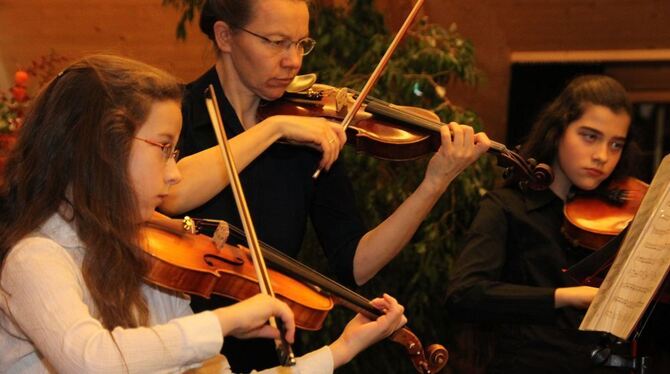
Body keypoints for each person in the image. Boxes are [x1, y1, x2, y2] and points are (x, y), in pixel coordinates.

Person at [0, 54, 408, 373]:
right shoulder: (36, 258)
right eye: (164, 149)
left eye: (175, 153)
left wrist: (340, 351)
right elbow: (91, 361)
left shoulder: (149, 272)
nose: (175, 175)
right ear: (103, 148)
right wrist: (223, 324)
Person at [158, 0, 490, 370]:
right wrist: (273, 130)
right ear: (225, 36)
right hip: (175, 347)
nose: (293, 61)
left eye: (301, 44)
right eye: (276, 42)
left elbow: (357, 263)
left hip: (268, 357)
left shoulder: (310, 130)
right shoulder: (176, 114)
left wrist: (436, 181)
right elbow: (171, 193)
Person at [446, 75, 639, 373]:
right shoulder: (507, 207)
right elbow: (465, 294)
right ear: (558, 131)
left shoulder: (616, 219)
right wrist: (564, 296)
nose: (602, 156)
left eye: (616, 144)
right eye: (590, 136)